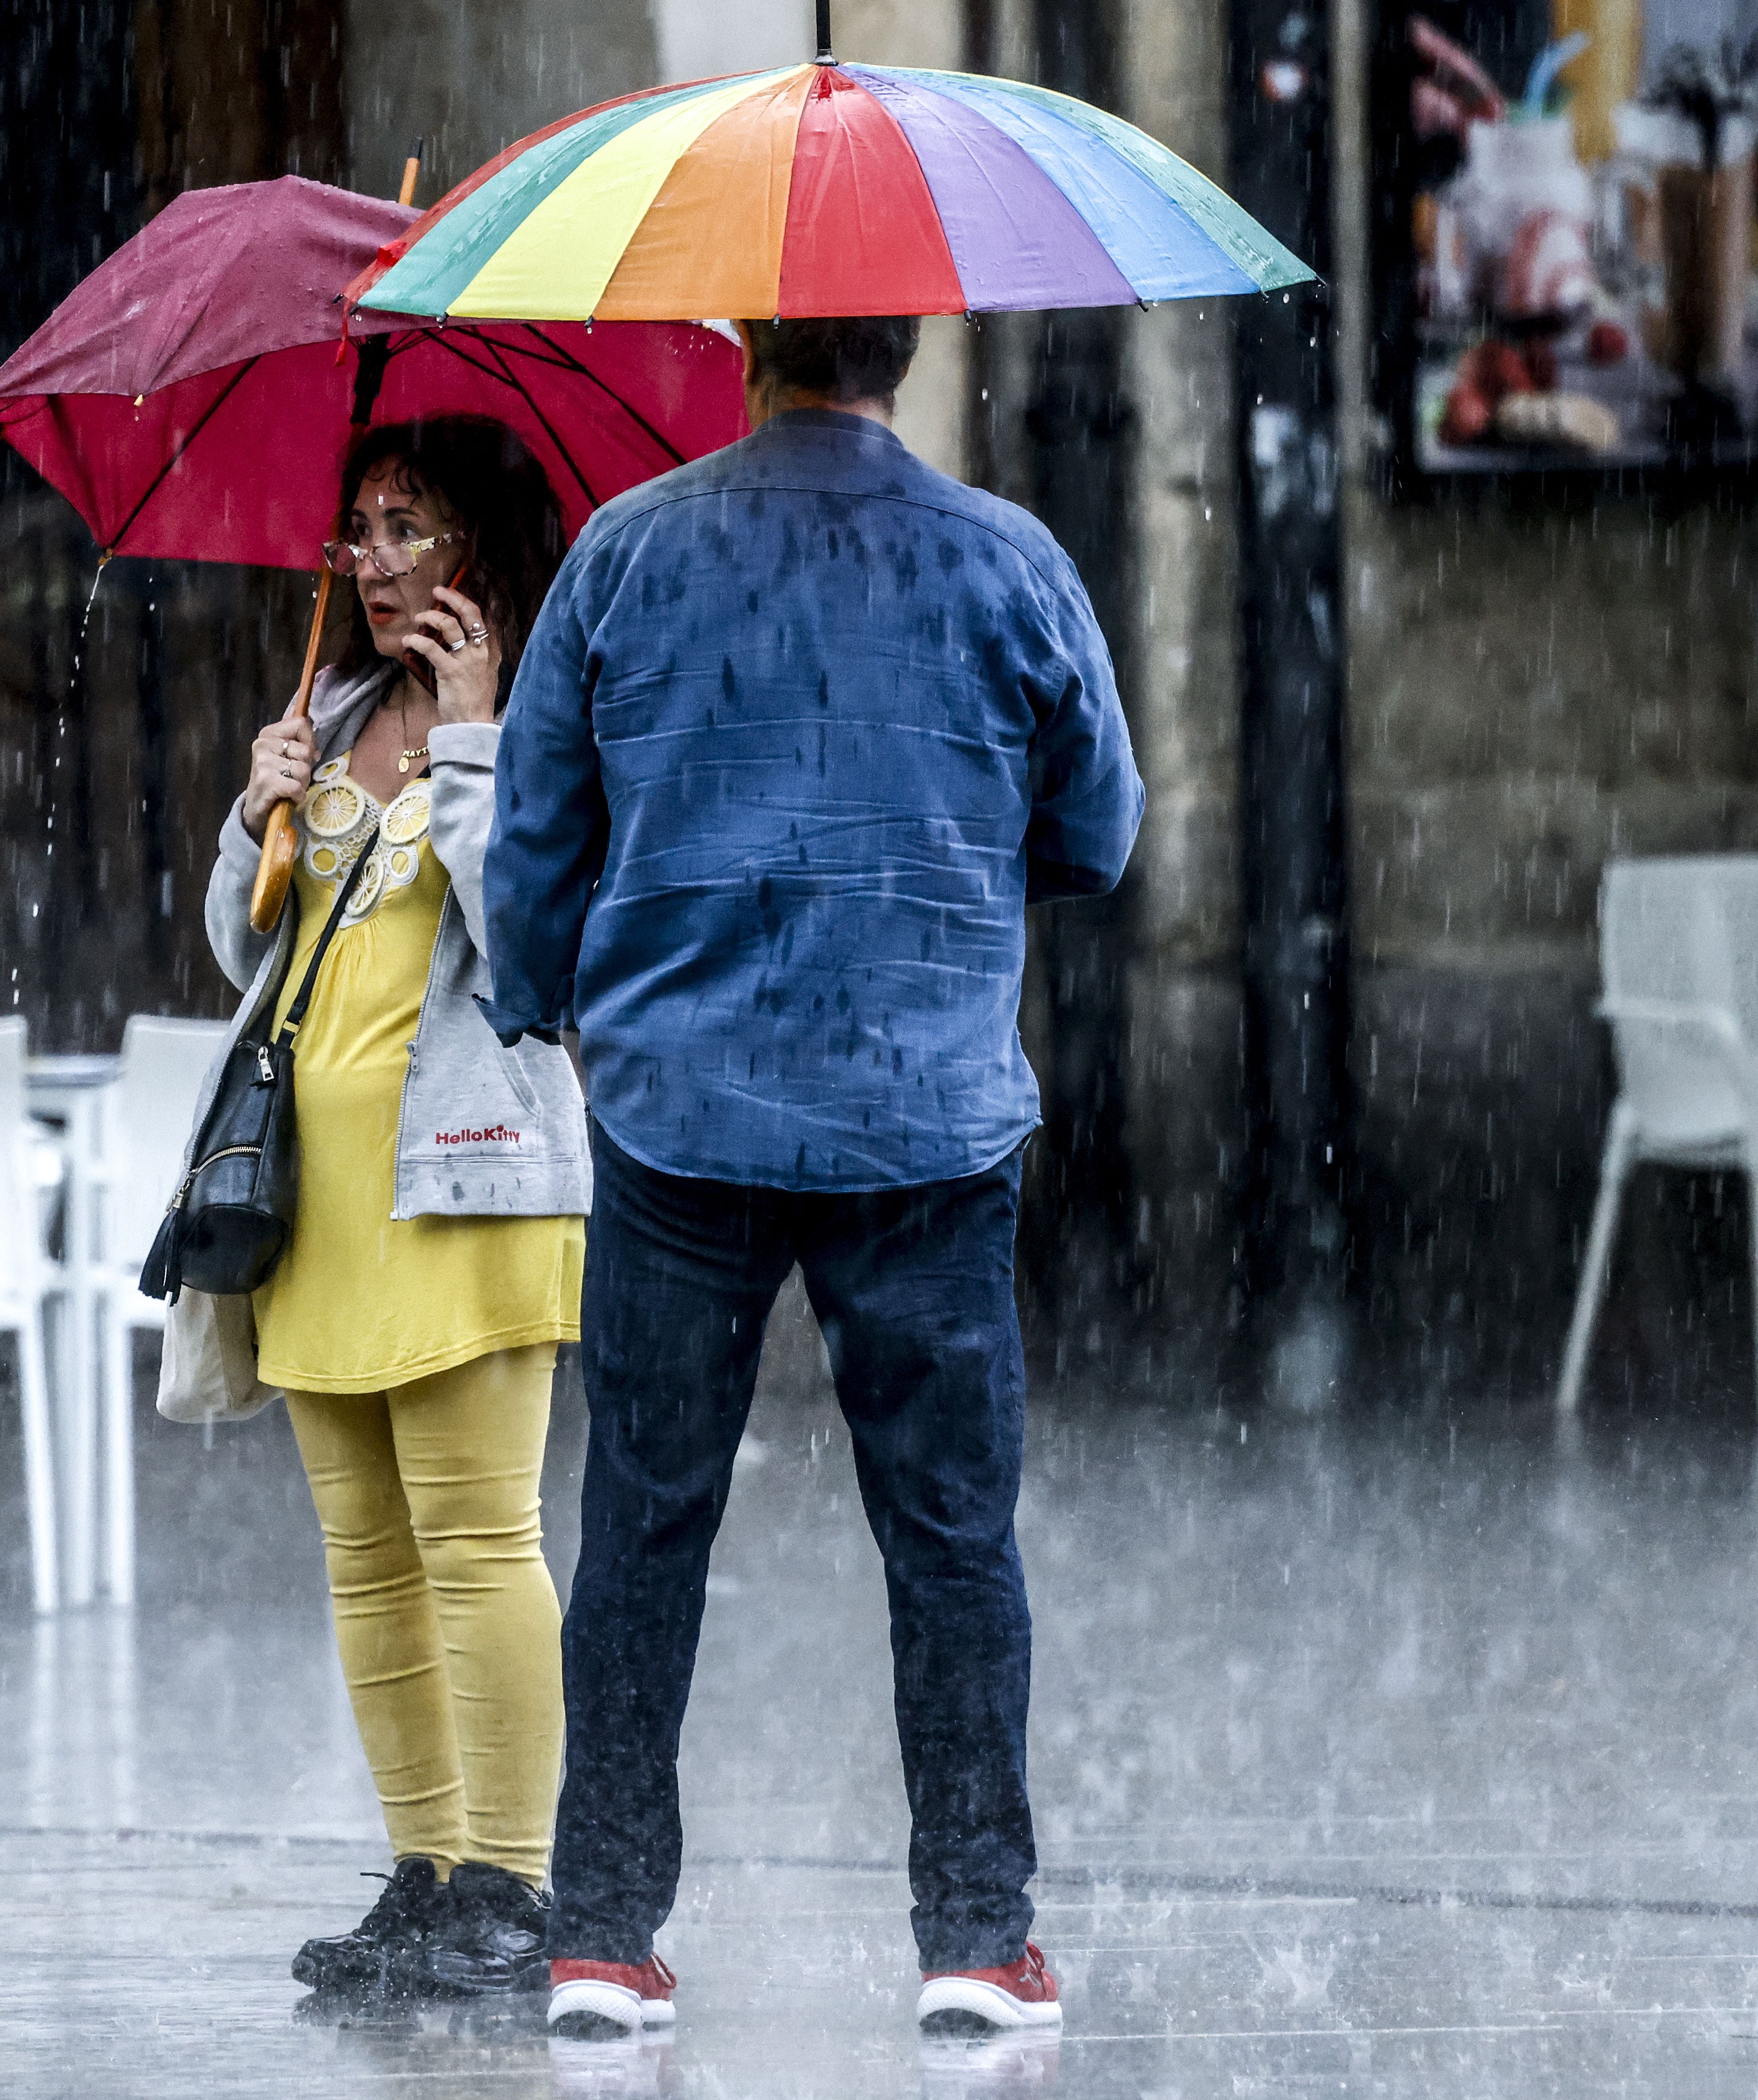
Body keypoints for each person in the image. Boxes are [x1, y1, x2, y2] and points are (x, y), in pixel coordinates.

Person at [482, 316, 1143, 2040]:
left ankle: (601, 1933)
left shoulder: (622, 556)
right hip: (922, 1121)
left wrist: (551, 999)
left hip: (676, 1122)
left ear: (747, 347)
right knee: (948, 1535)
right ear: (904, 351)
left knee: (641, 1522)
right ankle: (977, 1937)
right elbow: (1099, 831)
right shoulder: (1010, 561)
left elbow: (536, 839)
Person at [198, 414, 592, 2002]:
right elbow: (248, 958)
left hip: (474, 1175)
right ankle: (424, 1870)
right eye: (357, 526)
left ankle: (512, 1878)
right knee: (365, 1558)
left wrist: (481, 737)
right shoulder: (330, 705)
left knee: (478, 1540)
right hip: (317, 1201)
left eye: (406, 527)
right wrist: (256, 813)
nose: (367, 560)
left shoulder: (554, 721)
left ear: (478, 549)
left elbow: (536, 951)